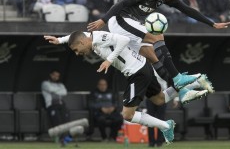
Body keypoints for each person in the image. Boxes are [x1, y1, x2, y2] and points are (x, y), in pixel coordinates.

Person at [44, 30, 210, 144]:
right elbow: (76, 36)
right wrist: (60, 40)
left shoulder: (99, 37)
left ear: (83, 41)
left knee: (127, 114)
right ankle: (197, 80)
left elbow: (124, 40)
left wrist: (110, 59)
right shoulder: (86, 37)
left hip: (136, 72)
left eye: (76, 49)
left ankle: (167, 126)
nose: (77, 53)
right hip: (142, 67)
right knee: (159, 99)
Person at [87, 0, 230, 102]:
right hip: (120, 20)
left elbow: (187, 9)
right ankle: (178, 78)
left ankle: (182, 91)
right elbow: (122, 3)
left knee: (153, 56)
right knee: (157, 36)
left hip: (132, 23)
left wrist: (212, 23)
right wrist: (103, 20)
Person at [41, 70, 71, 145]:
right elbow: (51, 90)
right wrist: (57, 91)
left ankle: (64, 138)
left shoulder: (60, 84)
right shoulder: (45, 83)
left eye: (57, 76)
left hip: (61, 105)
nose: (56, 77)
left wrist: (55, 91)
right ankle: (57, 137)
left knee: (66, 120)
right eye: (54, 75)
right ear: (51, 75)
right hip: (51, 105)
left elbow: (64, 92)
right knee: (57, 121)